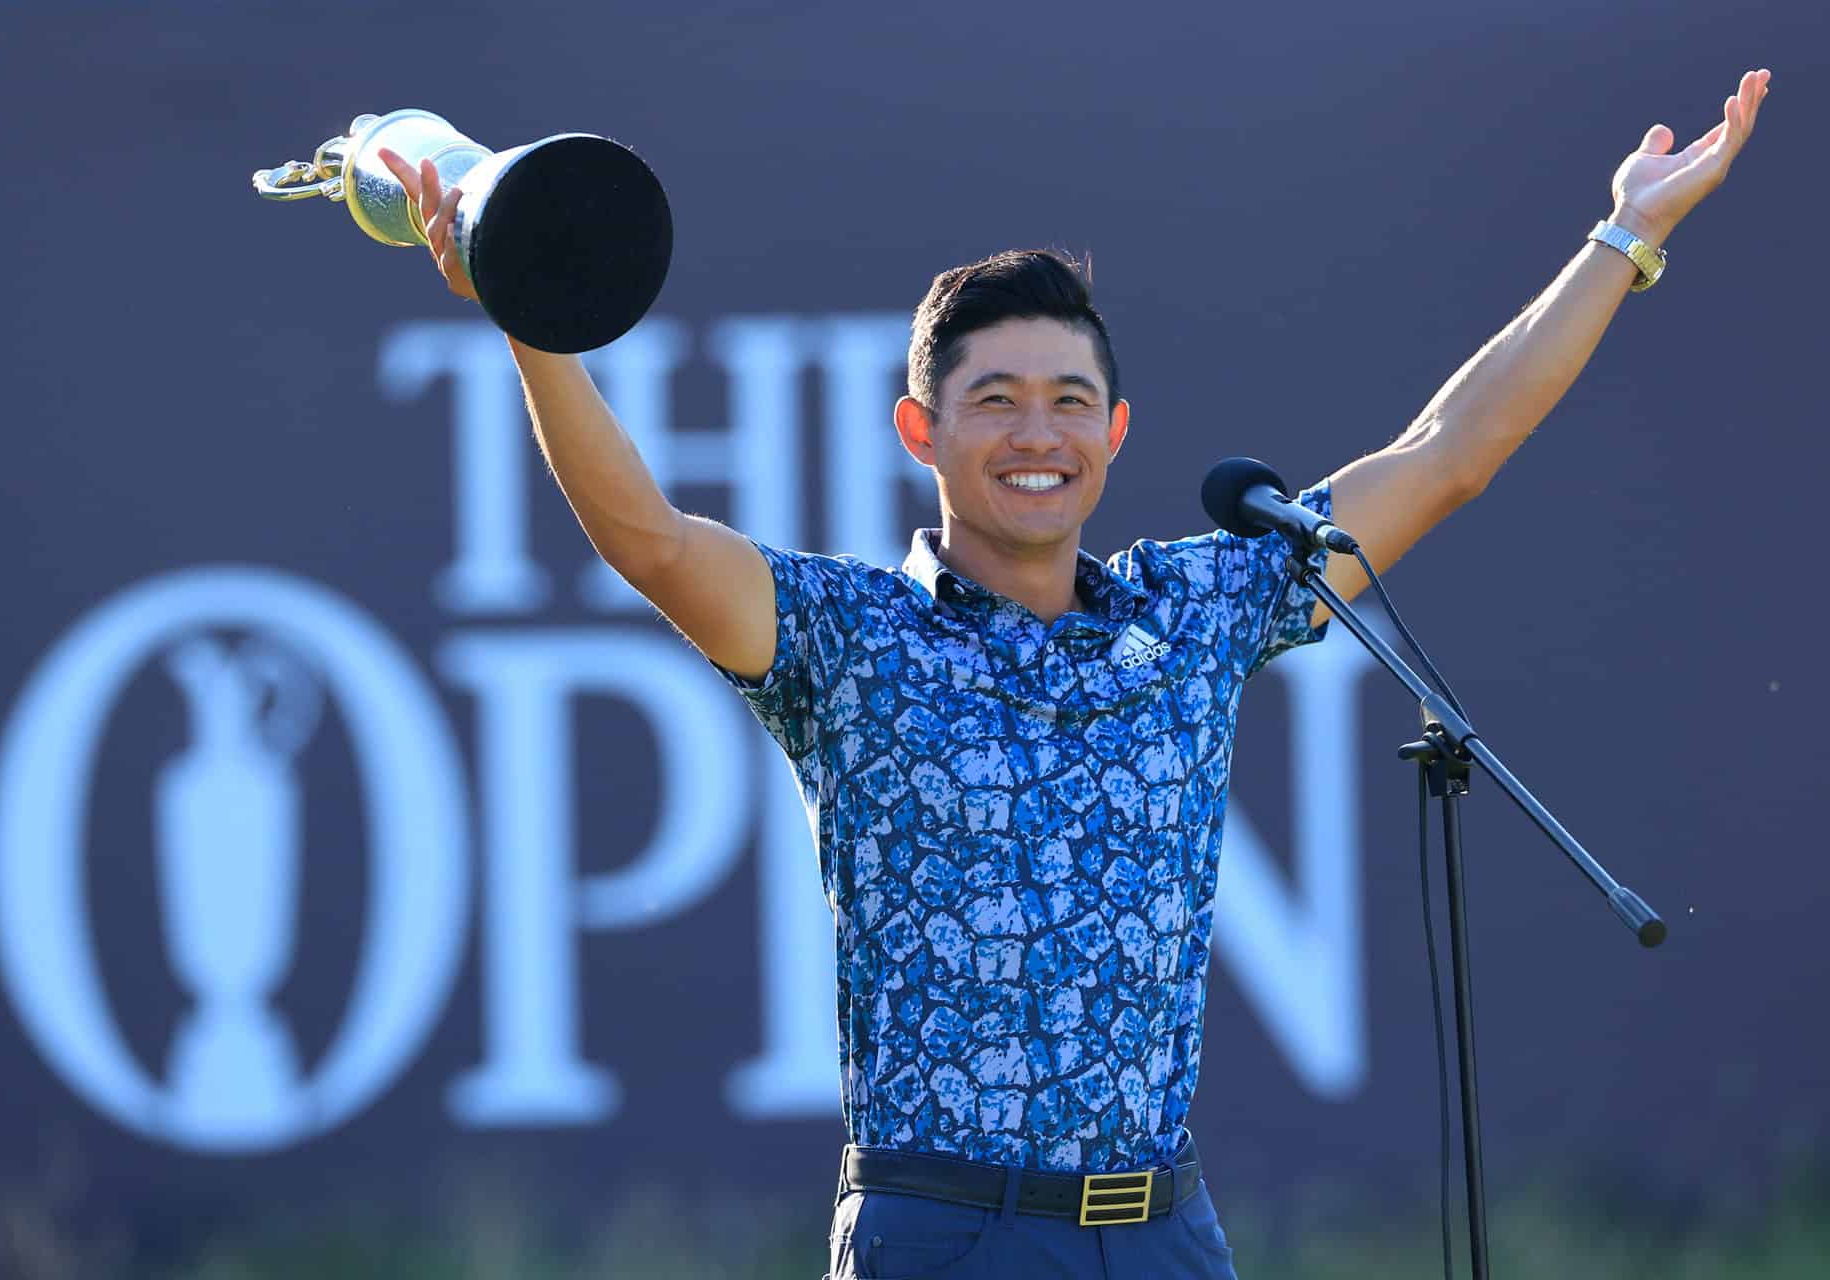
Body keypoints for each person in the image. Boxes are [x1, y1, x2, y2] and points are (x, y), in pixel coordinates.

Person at [381, 67, 1769, 1280]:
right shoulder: (851, 637)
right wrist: (531, 313)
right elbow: (649, 539)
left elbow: (1447, 455)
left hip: (1162, 1234)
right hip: (945, 1234)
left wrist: (1623, 237)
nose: (1035, 435)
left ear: (1115, 433)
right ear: (920, 431)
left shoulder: (1199, 605)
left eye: (1067, 403)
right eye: (993, 401)